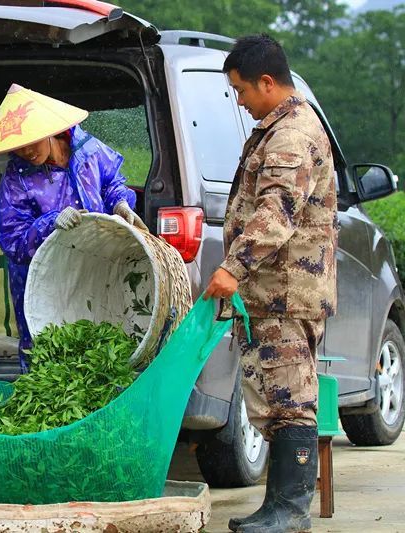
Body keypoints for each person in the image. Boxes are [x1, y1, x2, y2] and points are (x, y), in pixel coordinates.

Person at [203, 35, 337, 533]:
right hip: (271, 293)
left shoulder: (292, 136)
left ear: (266, 81)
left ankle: (289, 511)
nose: (238, 99)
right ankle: (278, 507)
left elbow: (276, 216)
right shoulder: (273, 128)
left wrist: (231, 268)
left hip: (285, 292)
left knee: (289, 399)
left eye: (240, 89)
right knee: (277, 398)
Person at [0, 83, 145, 370]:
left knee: (99, 345)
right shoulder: (17, 178)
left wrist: (120, 203)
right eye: (19, 145)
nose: (27, 151)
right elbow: (12, 238)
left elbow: (113, 181)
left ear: (50, 131)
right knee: (47, 355)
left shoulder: (87, 149)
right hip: (44, 280)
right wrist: (49, 223)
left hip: (96, 266)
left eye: (33, 141)